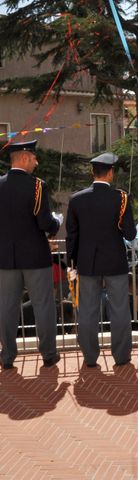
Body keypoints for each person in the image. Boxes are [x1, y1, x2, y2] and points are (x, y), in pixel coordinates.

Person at [65, 152, 136, 367]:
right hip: (115, 261)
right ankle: (121, 357)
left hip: (87, 262)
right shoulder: (121, 198)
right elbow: (130, 234)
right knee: (120, 310)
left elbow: (72, 235)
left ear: (92, 173)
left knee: (87, 311)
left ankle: (89, 357)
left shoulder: (76, 199)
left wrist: (72, 263)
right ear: (111, 172)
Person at [0, 140, 62, 369]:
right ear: (24, 158)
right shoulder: (37, 186)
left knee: (6, 308)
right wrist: (56, 223)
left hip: (6, 258)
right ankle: (48, 354)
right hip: (35, 257)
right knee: (43, 305)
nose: (36, 163)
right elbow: (44, 222)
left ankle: (7, 357)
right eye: (34, 158)